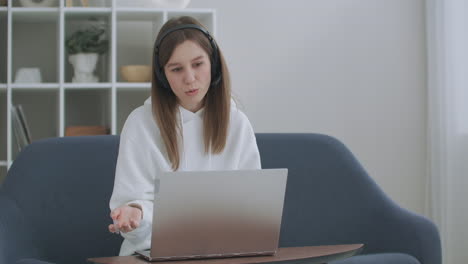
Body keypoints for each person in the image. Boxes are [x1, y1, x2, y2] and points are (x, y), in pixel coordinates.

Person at [108, 16, 262, 256]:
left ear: (214, 65)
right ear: (162, 76)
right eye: (176, 69)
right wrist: (134, 213)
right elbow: (134, 205)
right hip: (154, 252)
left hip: (225, 254)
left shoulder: (237, 123)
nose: (189, 78)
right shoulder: (141, 123)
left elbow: (253, 209)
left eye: (198, 64)